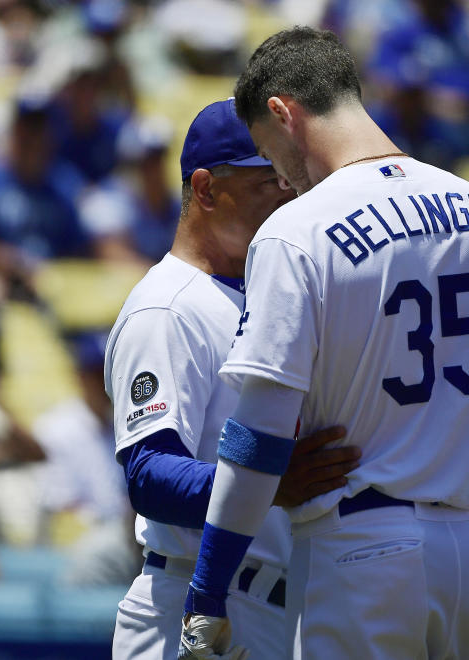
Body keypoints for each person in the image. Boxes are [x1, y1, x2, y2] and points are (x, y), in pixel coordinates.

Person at [179, 27, 469, 659]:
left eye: (269, 154)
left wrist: (207, 591)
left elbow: (257, 438)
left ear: (281, 112)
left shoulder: (297, 230)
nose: (279, 177)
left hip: (363, 553)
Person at [104, 98, 359, 660]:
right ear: (205, 188)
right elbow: (148, 474)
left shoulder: (267, 295)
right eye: (268, 177)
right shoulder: (167, 307)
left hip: (278, 608)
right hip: (189, 606)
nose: (291, 191)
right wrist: (262, 484)